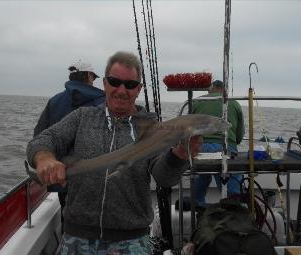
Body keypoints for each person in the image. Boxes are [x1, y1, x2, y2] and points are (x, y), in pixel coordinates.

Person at [27, 51, 202, 254]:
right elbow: (43, 139)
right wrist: (45, 157)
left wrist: (180, 154)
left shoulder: (153, 129)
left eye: (130, 85)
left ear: (139, 89)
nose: (121, 90)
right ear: (104, 84)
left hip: (131, 242)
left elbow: (164, 177)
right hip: (77, 239)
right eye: (114, 81)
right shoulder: (82, 117)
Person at [33, 60, 105, 229]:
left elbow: (39, 136)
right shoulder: (103, 100)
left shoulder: (54, 101)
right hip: (96, 180)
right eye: (93, 77)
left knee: (70, 221)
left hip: (63, 179)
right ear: (88, 76)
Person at [193, 80, 245, 207]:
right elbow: (239, 136)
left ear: (211, 89)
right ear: (224, 90)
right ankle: (233, 213)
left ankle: (199, 212)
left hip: (200, 148)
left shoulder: (196, 101)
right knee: (233, 195)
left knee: (197, 192)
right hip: (226, 148)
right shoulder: (234, 103)